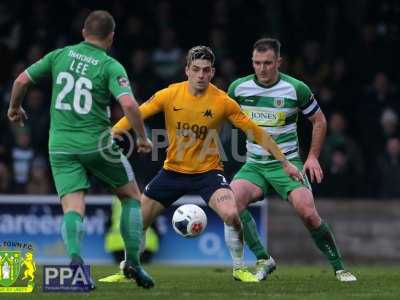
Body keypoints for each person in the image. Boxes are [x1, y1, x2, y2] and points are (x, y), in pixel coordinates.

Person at [100, 45, 303, 283]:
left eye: (206, 70)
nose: (201, 75)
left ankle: (239, 268)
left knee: (231, 214)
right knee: (137, 222)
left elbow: (257, 133)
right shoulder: (169, 94)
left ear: (213, 72)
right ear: (187, 70)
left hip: (208, 173)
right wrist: (112, 135)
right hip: (172, 171)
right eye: (196, 69)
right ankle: (128, 269)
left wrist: (285, 162)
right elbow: (137, 112)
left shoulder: (222, 101)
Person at [7, 10, 155, 289]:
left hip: (60, 146)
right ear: (111, 37)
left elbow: (20, 81)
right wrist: (143, 138)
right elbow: (129, 105)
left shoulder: (59, 55)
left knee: (73, 207)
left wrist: (14, 108)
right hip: (97, 144)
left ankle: (75, 260)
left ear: (83, 32)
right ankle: (133, 262)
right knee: (132, 197)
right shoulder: (110, 65)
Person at [227, 38, 357, 282]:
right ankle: (263, 258)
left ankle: (340, 267)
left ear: (279, 61)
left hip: (287, 164)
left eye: (267, 63)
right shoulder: (238, 88)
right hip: (254, 164)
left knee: (308, 213)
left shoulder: (295, 88)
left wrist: (313, 157)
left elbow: (319, 120)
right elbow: (222, 116)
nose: (262, 68)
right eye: (257, 63)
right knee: (232, 202)